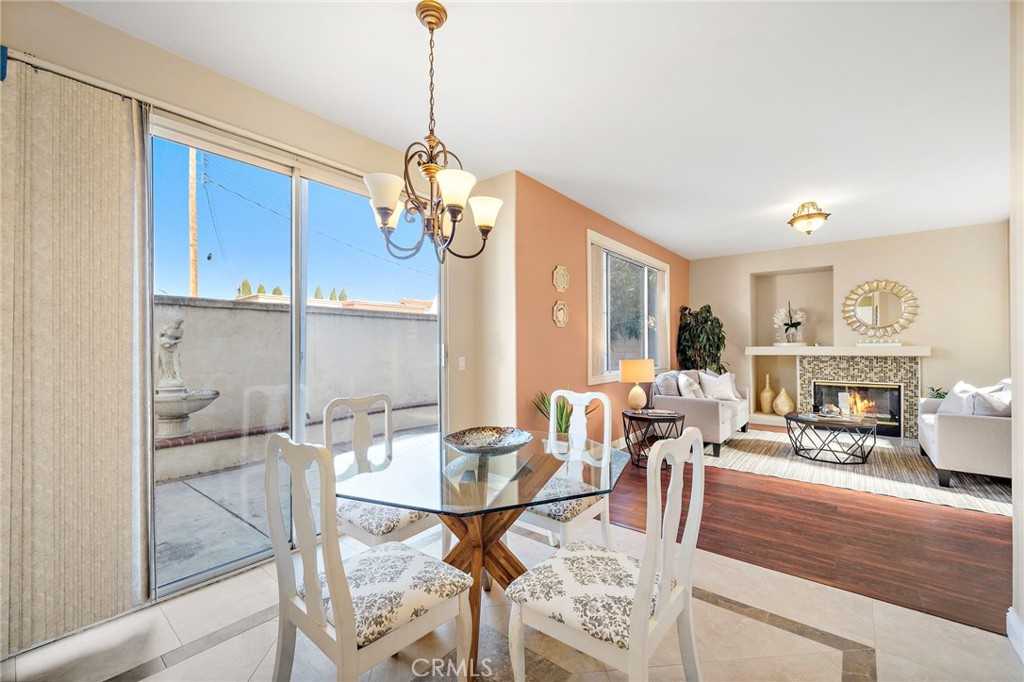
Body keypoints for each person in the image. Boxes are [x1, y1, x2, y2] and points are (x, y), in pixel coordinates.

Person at [157, 316, 185, 387]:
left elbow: (180, 339)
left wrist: (174, 342)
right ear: (173, 322)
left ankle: (178, 377)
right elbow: (159, 335)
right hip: (164, 347)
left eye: (179, 324)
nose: (177, 325)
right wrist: (162, 342)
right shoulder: (167, 327)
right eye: (176, 323)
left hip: (174, 347)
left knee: (176, 362)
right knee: (165, 363)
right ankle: (167, 377)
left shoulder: (181, 330)